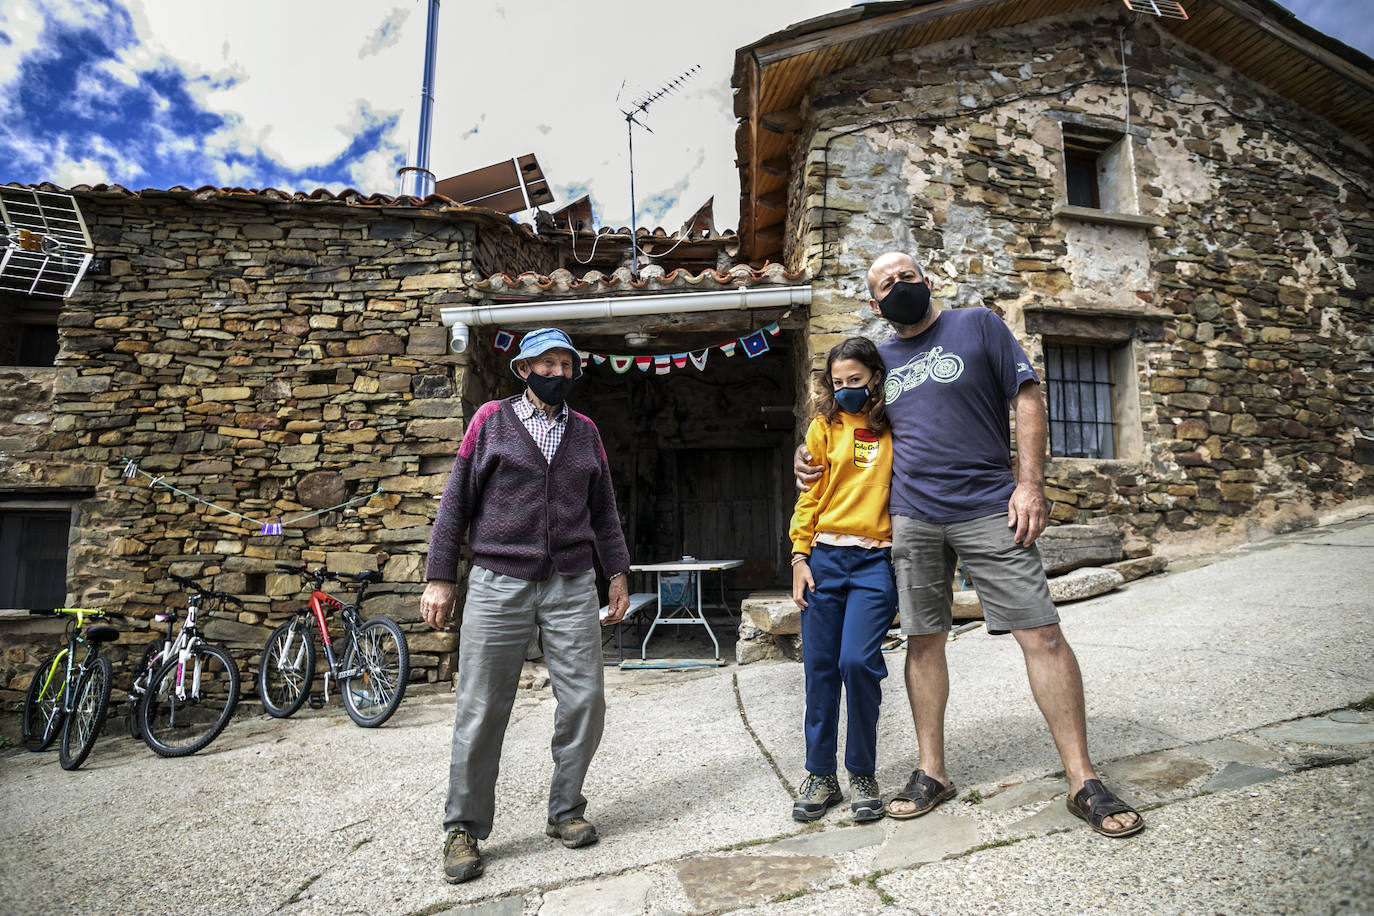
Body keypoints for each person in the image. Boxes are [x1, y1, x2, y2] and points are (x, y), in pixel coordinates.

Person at [795, 252, 1143, 838]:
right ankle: (933, 772)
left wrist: (1030, 484)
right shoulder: (881, 365)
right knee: (924, 642)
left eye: (907, 275)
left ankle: (1082, 779)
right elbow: (847, 432)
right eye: (886, 285)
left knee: (1043, 633)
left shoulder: (977, 325)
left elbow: (1026, 396)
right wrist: (808, 458)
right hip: (911, 518)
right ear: (876, 305)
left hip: (988, 505)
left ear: (925, 278)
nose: (899, 286)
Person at [422, 327, 632, 884]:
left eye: (567, 364)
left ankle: (566, 811)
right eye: (547, 363)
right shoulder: (489, 421)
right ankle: (463, 828)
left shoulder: (586, 433)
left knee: (586, 701)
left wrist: (617, 573)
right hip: (498, 581)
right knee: (482, 707)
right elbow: (454, 504)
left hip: (570, 582)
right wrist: (441, 577)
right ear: (524, 369)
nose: (558, 373)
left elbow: (604, 511)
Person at [787, 336, 896, 825]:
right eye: (838, 382)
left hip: (876, 562)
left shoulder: (899, 423)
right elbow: (808, 497)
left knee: (859, 662)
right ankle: (819, 774)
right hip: (825, 558)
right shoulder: (822, 429)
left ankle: (863, 771)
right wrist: (798, 556)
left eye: (855, 379)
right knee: (821, 669)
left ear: (875, 375)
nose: (847, 388)